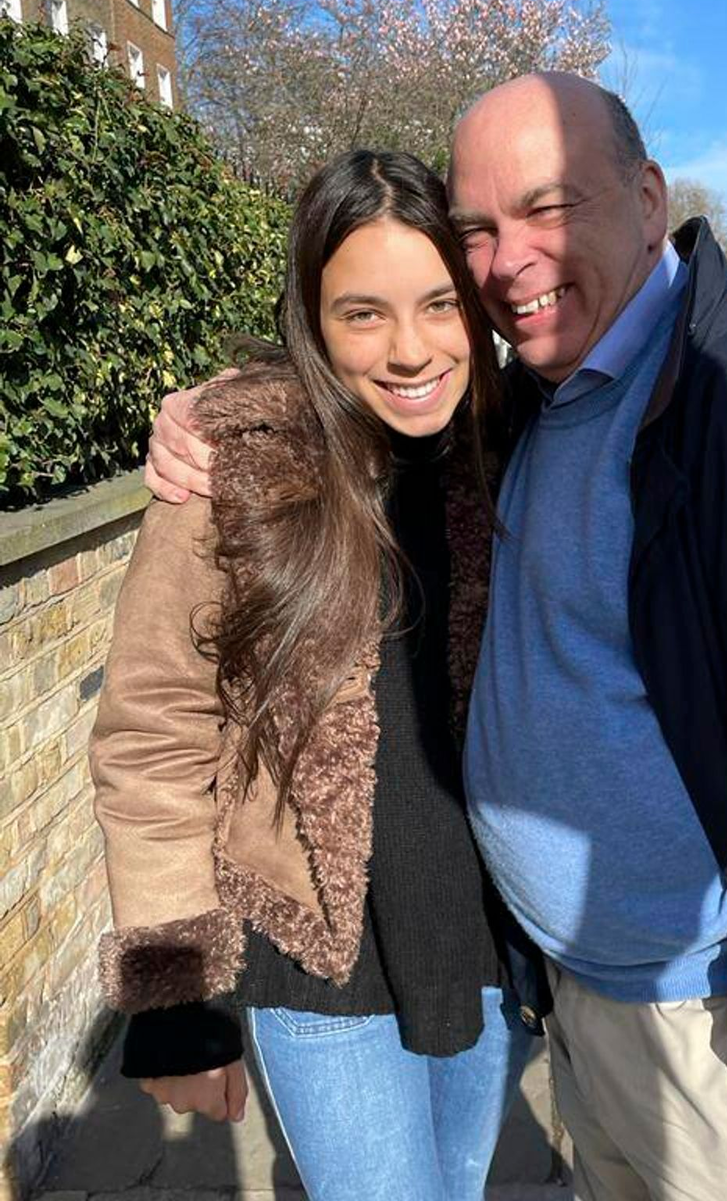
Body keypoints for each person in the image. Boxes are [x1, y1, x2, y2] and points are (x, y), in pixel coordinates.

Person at [146, 75, 727, 1201]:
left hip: (711, 1035)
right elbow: (156, 733)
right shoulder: (530, 408)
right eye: (479, 228)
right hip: (505, 992)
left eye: (551, 208)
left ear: (649, 194)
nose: (510, 261)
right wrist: (211, 413)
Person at [90, 149, 539, 1201]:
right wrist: (176, 1003)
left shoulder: (519, 448)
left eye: (440, 304)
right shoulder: (233, 473)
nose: (412, 348)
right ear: (313, 319)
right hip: (317, 963)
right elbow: (151, 735)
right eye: (363, 313)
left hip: (478, 945)